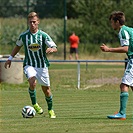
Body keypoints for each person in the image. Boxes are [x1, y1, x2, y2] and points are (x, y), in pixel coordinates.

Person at [4, 12, 57, 118]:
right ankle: (35, 104)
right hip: (29, 64)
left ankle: (51, 110)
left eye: (34, 22)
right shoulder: (24, 36)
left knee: (46, 91)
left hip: (42, 65)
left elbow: (54, 47)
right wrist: (10, 58)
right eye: (30, 22)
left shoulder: (43, 35)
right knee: (32, 83)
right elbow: (17, 46)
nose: (32, 24)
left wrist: (51, 49)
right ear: (28, 23)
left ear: (38, 22)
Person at [100, 11, 133, 120]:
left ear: (117, 22)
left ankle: (122, 113)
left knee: (123, 85)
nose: (111, 25)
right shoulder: (130, 30)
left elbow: (126, 48)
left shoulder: (123, 31)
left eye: (112, 22)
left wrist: (109, 49)